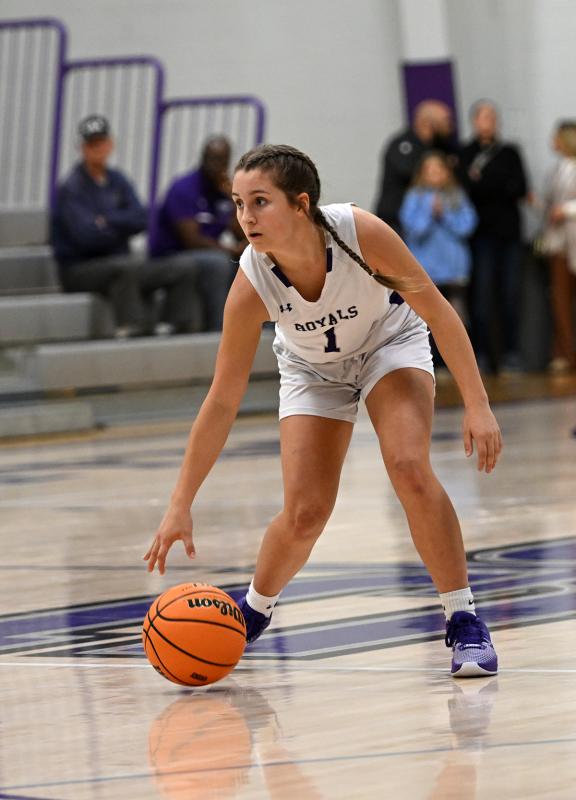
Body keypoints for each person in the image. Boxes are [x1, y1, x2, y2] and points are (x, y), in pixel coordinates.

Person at [144, 144, 502, 678]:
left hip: (389, 344)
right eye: (238, 203)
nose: (245, 217)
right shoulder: (251, 281)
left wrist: (478, 403)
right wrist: (180, 502)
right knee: (306, 511)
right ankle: (252, 612)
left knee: (408, 466)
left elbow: (438, 310)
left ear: (300, 204)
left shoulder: (360, 233)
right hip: (312, 370)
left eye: (260, 201)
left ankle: (464, 619)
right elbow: (222, 399)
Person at [51, 115, 199, 337]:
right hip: (79, 269)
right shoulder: (72, 187)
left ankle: (177, 325)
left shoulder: (117, 180)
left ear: (110, 144)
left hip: (120, 261)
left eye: (101, 142)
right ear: (82, 148)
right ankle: (133, 328)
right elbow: (86, 237)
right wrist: (121, 227)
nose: (97, 149)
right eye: (91, 144)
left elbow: (141, 218)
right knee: (125, 268)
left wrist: (107, 220)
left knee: (183, 266)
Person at [149, 135, 247, 332]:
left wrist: (233, 199)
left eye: (220, 160)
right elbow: (191, 240)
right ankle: (219, 329)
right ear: (202, 158)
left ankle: (259, 326)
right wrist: (230, 250)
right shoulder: (184, 188)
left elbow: (240, 233)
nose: (214, 165)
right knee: (219, 263)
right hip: (171, 255)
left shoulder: (223, 190)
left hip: (206, 253)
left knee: (255, 259)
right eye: (210, 158)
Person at [459, 101, 529, 373]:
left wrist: (484, 182)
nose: (489, 121)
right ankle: (482, 354)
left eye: (492, 116)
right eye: (483, 116)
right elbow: (465, 189)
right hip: (480, 236)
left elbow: (519, 188)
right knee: (482, 297)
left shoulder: (509, 152)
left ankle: (512, 353)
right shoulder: (465, 153)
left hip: (510, 234)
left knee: (511, 295)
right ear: (474, 121)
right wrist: (498, 184)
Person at [400, 151, 478, 367]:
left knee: (456, 317)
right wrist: (429, 214)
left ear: (446, 172)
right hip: (426, 270)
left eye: (439, 170)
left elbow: (467, 226)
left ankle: (459, 363)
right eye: (430, 171)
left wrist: (445, 214)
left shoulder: (456, 196)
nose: (434, 175)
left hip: (453, 270)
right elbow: (411, 228)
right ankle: (432, 363)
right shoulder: (414, 197)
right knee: (426, 318)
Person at [374, 100, 457, 235]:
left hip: (429, 226)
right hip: (395, 221)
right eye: (445, 120)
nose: (450, 125)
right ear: (428, 122)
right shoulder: (402, 145)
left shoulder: (441, 147)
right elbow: (407, 171)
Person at [538, 120, 576, 372]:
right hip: (558, 242)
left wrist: (566, 210)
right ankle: (566, 354)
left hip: (573, 238)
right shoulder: (556, 169)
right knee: (560, 300)